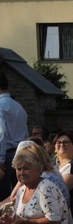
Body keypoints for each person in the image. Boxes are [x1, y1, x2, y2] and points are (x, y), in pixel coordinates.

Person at [0, 145, 68, 224]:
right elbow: (19, 218)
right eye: (18, 169)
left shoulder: (45, 188)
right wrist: (11, 221)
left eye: (26, 168)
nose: (21, 172)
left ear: (38, 170)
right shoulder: (22, 190)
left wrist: (24, 221)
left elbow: (55, 221)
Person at [0, 72, 29, 200]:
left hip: (5, 156)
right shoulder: (18, 106)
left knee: (4, 196)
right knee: (17, 194)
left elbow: (1, 133)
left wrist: (0, 160)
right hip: (21, 153)